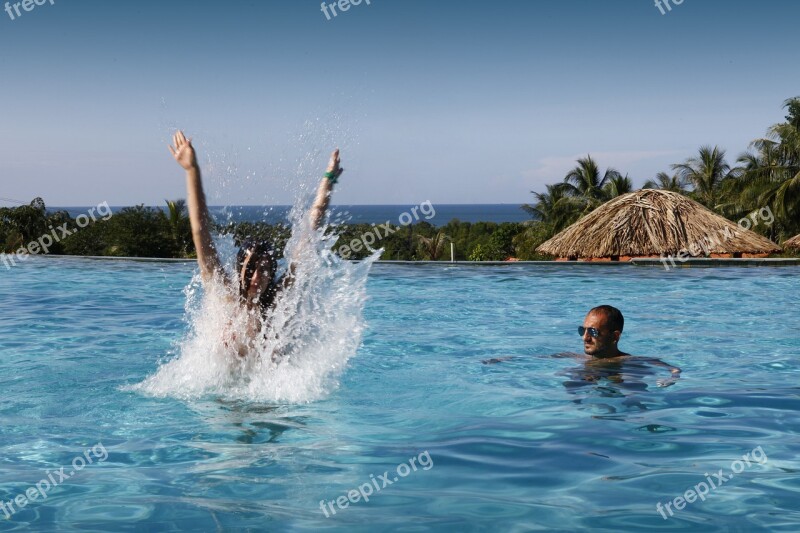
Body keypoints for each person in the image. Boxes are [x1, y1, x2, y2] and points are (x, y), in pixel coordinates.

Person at [168, 130, 344, 356]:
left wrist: (328, 181)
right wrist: (192, 171)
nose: (256, 276)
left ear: (272, 272)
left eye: (263, 269)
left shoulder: (278, 300)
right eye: (250, 268)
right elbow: (200, 231)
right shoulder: (223, 294)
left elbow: (308, 236)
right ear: (239, 268)